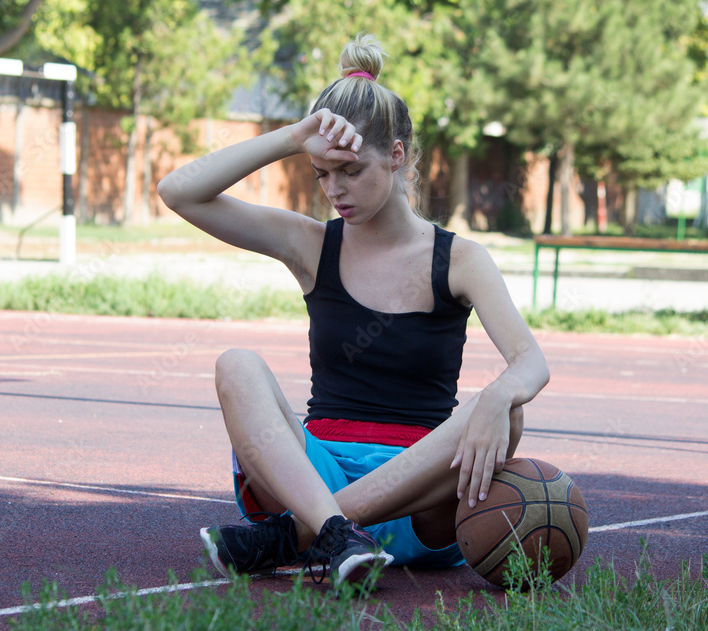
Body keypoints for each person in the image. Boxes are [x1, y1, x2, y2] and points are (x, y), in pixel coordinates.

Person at [157, 34, 549, 588]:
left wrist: (501, 394)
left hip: (422, 500)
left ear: (395, 155)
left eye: (350, 170)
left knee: (508, 410)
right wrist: (294, 136)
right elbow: (179, 192)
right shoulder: (313, 244)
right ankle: (337, 535)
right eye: (321, 173)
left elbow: (530, 362)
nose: (333, 190)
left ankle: (304, 537)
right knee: (236, 364)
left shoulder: (460, 259)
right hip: (315, 477)